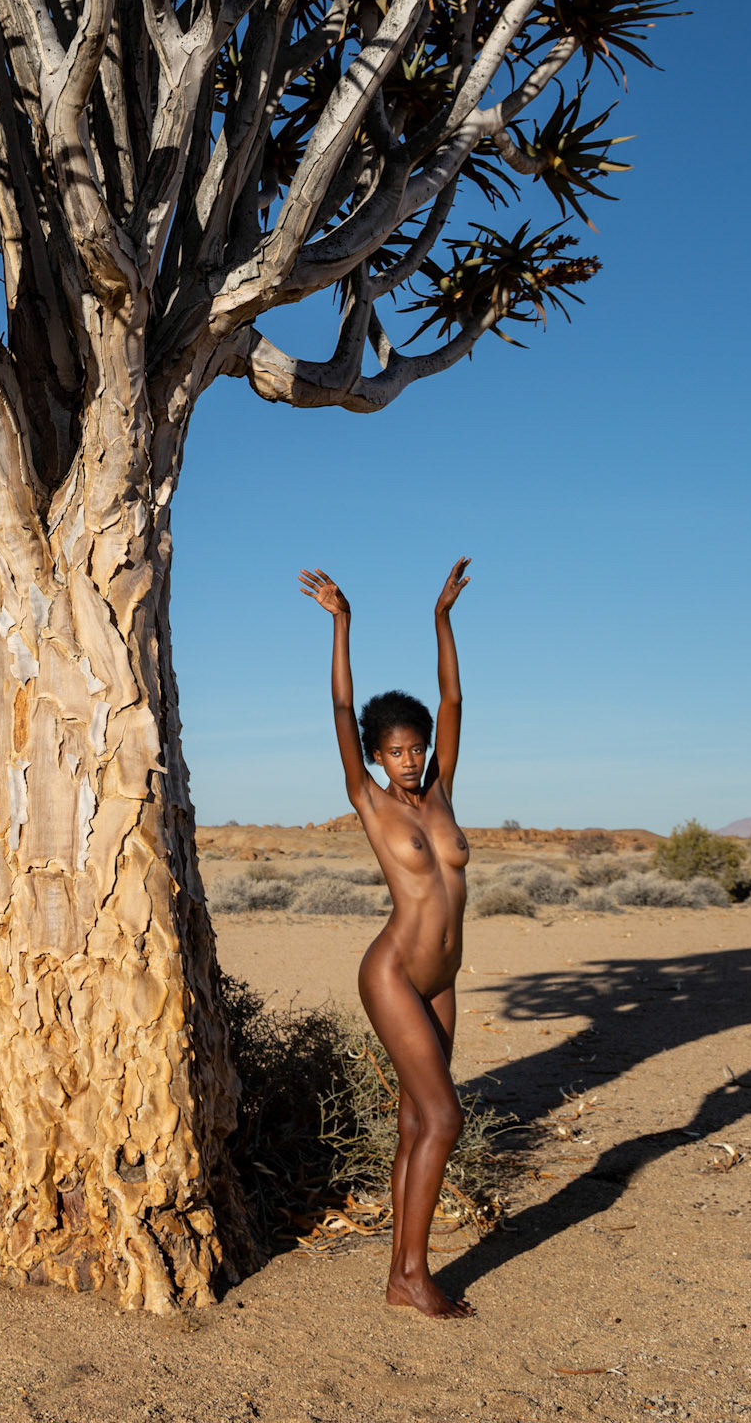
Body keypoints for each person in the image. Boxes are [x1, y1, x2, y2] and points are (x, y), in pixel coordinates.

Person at [299, 556, 475, 1318]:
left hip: (444, 977)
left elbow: (454, 695)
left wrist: (441, 619)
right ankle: (410, 1274)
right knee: (444, 1118)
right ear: (376, 755)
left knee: (416, 1118)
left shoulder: (440, 792)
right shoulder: (372, 803)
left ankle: (404, 1274)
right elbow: (341, 712)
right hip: (397, 971)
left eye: (415, 748)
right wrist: (344, 625)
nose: (407, 761)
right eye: (394, 751)